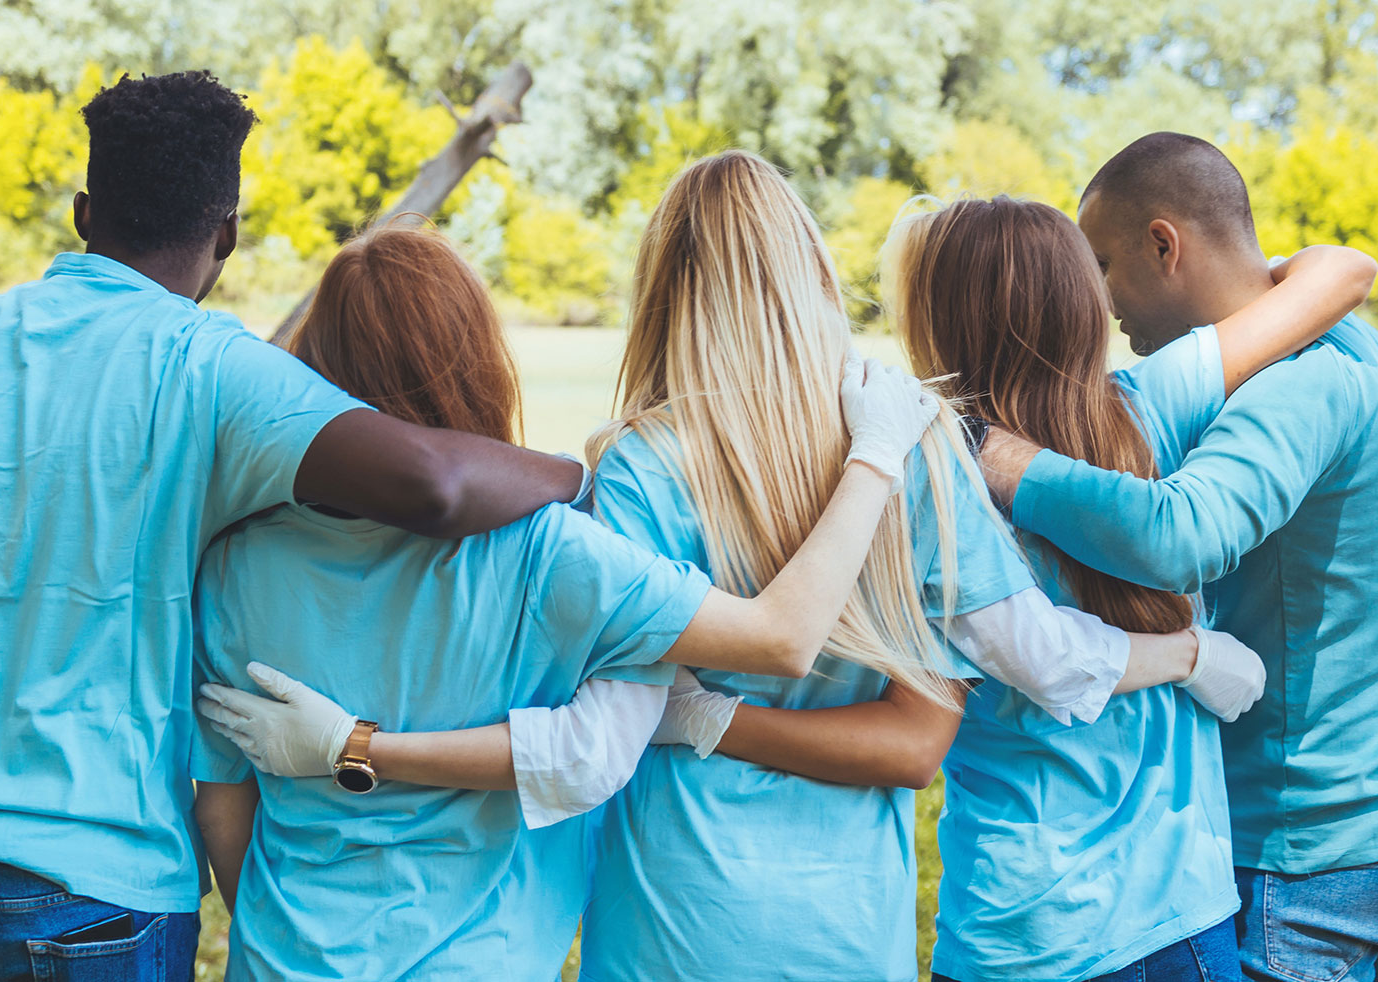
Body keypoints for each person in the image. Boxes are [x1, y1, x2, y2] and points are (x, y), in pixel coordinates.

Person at [205, 151, 1269, 982]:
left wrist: (357, 747)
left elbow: (598, 744)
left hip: (674, 918)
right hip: (846, 926)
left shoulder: (635, 471)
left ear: (665, 288)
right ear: (808, 271)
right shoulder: (908, 438)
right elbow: (1042, 658)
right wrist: (1186, 653)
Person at [0, 72, 602, 982]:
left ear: (82, 212)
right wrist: (585, 473)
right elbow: (438, 485)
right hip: (101, 897)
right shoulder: (218, 373)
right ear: (227, 233)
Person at [188, 221, 943, 980]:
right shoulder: (550, 556)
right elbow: (779, 639)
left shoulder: (230, 569)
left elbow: (224, 804)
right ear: (478, 360)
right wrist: (875, 454)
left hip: (284, 956)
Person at [977, 132, 1378, 982]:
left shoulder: (1300, 382)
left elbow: (1180, 537)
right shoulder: (1364, 344)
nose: (1100, 302)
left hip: (1311, 844)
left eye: (1104, 264)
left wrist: (1013, 466)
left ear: (1165, 246)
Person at [885, 195, 1377, 982]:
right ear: (1080, 301)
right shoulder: (1154, 403)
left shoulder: (929, 472)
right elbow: (1345, 271)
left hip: (1029, 925)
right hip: (1182, 912)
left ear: (939, 319)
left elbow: (1035, 654)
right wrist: (1190, 654)